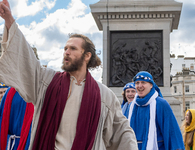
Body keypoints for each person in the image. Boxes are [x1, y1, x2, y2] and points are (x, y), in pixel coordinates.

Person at [0, 1, 138, 150]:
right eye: (65, 48)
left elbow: (121, 131)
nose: (66, 51)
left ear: (87, 55)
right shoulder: (47, 81)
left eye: (73, 48)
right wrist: (9, 21)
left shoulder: (104, 95)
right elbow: (26, 61)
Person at [128, 71, 184, 150]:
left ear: (151, 85)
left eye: (143, 82)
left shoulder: (161, 104)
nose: (139, 86)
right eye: (137, 83)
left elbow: (172, 132)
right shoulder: (131, 106)